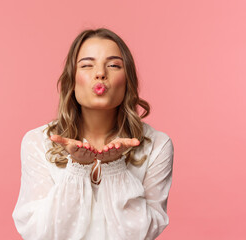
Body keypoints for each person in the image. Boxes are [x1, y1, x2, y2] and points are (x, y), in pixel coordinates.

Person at [12, 28, 174, 240]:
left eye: (114, 65)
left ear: (128, 81)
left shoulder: (157, 146)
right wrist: (76, 169)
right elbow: (38, 233)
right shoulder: (37, 142)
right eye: (87, 65)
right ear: (72, 79)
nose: (100, 73)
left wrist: (115, 168)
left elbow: (143, 233)